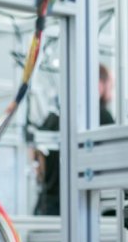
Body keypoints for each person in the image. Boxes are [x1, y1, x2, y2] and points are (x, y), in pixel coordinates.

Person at [34, 64, 114, 216]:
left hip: (48, 207)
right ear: (99, 84)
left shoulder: (53, 117)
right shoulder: (101, 115)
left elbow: (37, 162)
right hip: (82, 208)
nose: (111, 92)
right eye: (110, 85)